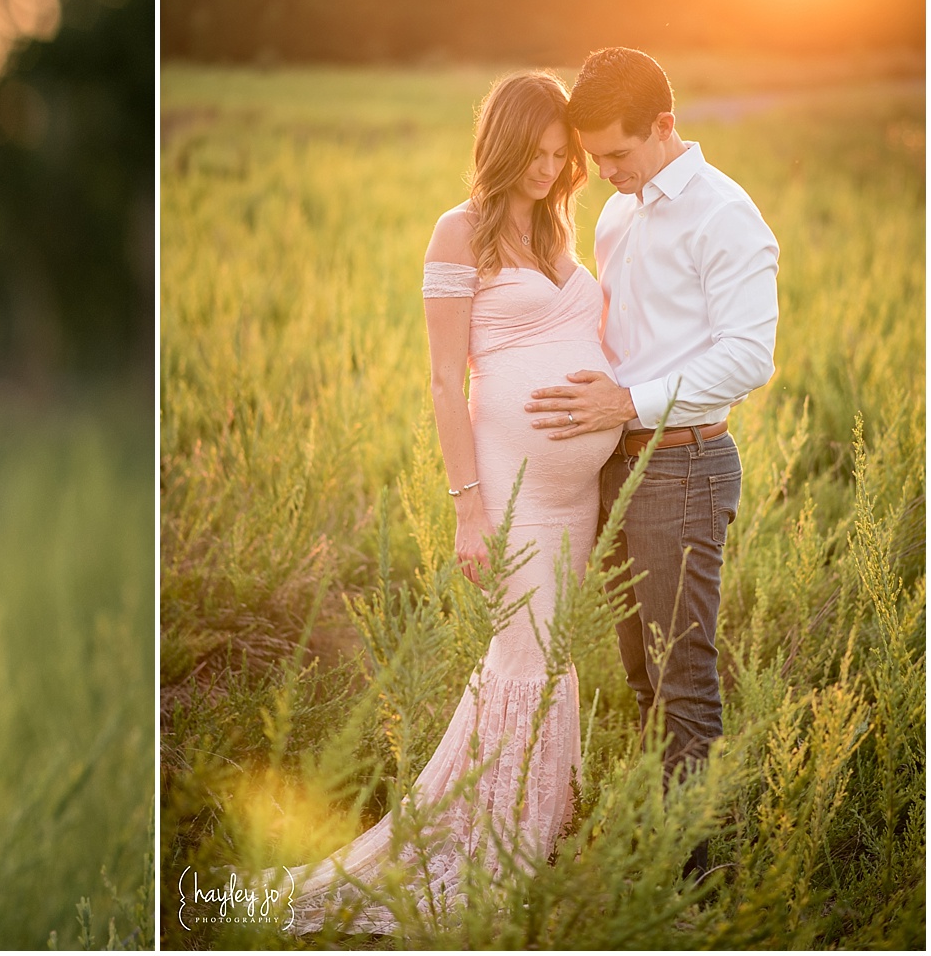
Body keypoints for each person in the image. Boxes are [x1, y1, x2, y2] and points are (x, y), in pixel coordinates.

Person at [271, 71, 607, 933]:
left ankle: (540, 828)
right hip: (513, 490)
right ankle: (498, 850)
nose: (547, 167)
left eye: (559, 153)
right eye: (532, 153)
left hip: (577, 499)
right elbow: (443, 381)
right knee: (522, 660)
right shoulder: (459, 232)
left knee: (552, 657)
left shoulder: (557, 224)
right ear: (500, 146)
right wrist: (468, 508)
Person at [526, 47, 778, 783]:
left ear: (665, 124)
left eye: (619, 153)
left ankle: (693, 884)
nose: (606, 170)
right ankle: (660, 842)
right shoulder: (617, 213)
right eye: (595, 157)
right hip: (618, 465)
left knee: (681, 681)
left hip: (685, 465)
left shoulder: (724, 216)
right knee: (641, 672)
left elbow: (748, 359)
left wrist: (626, 403)